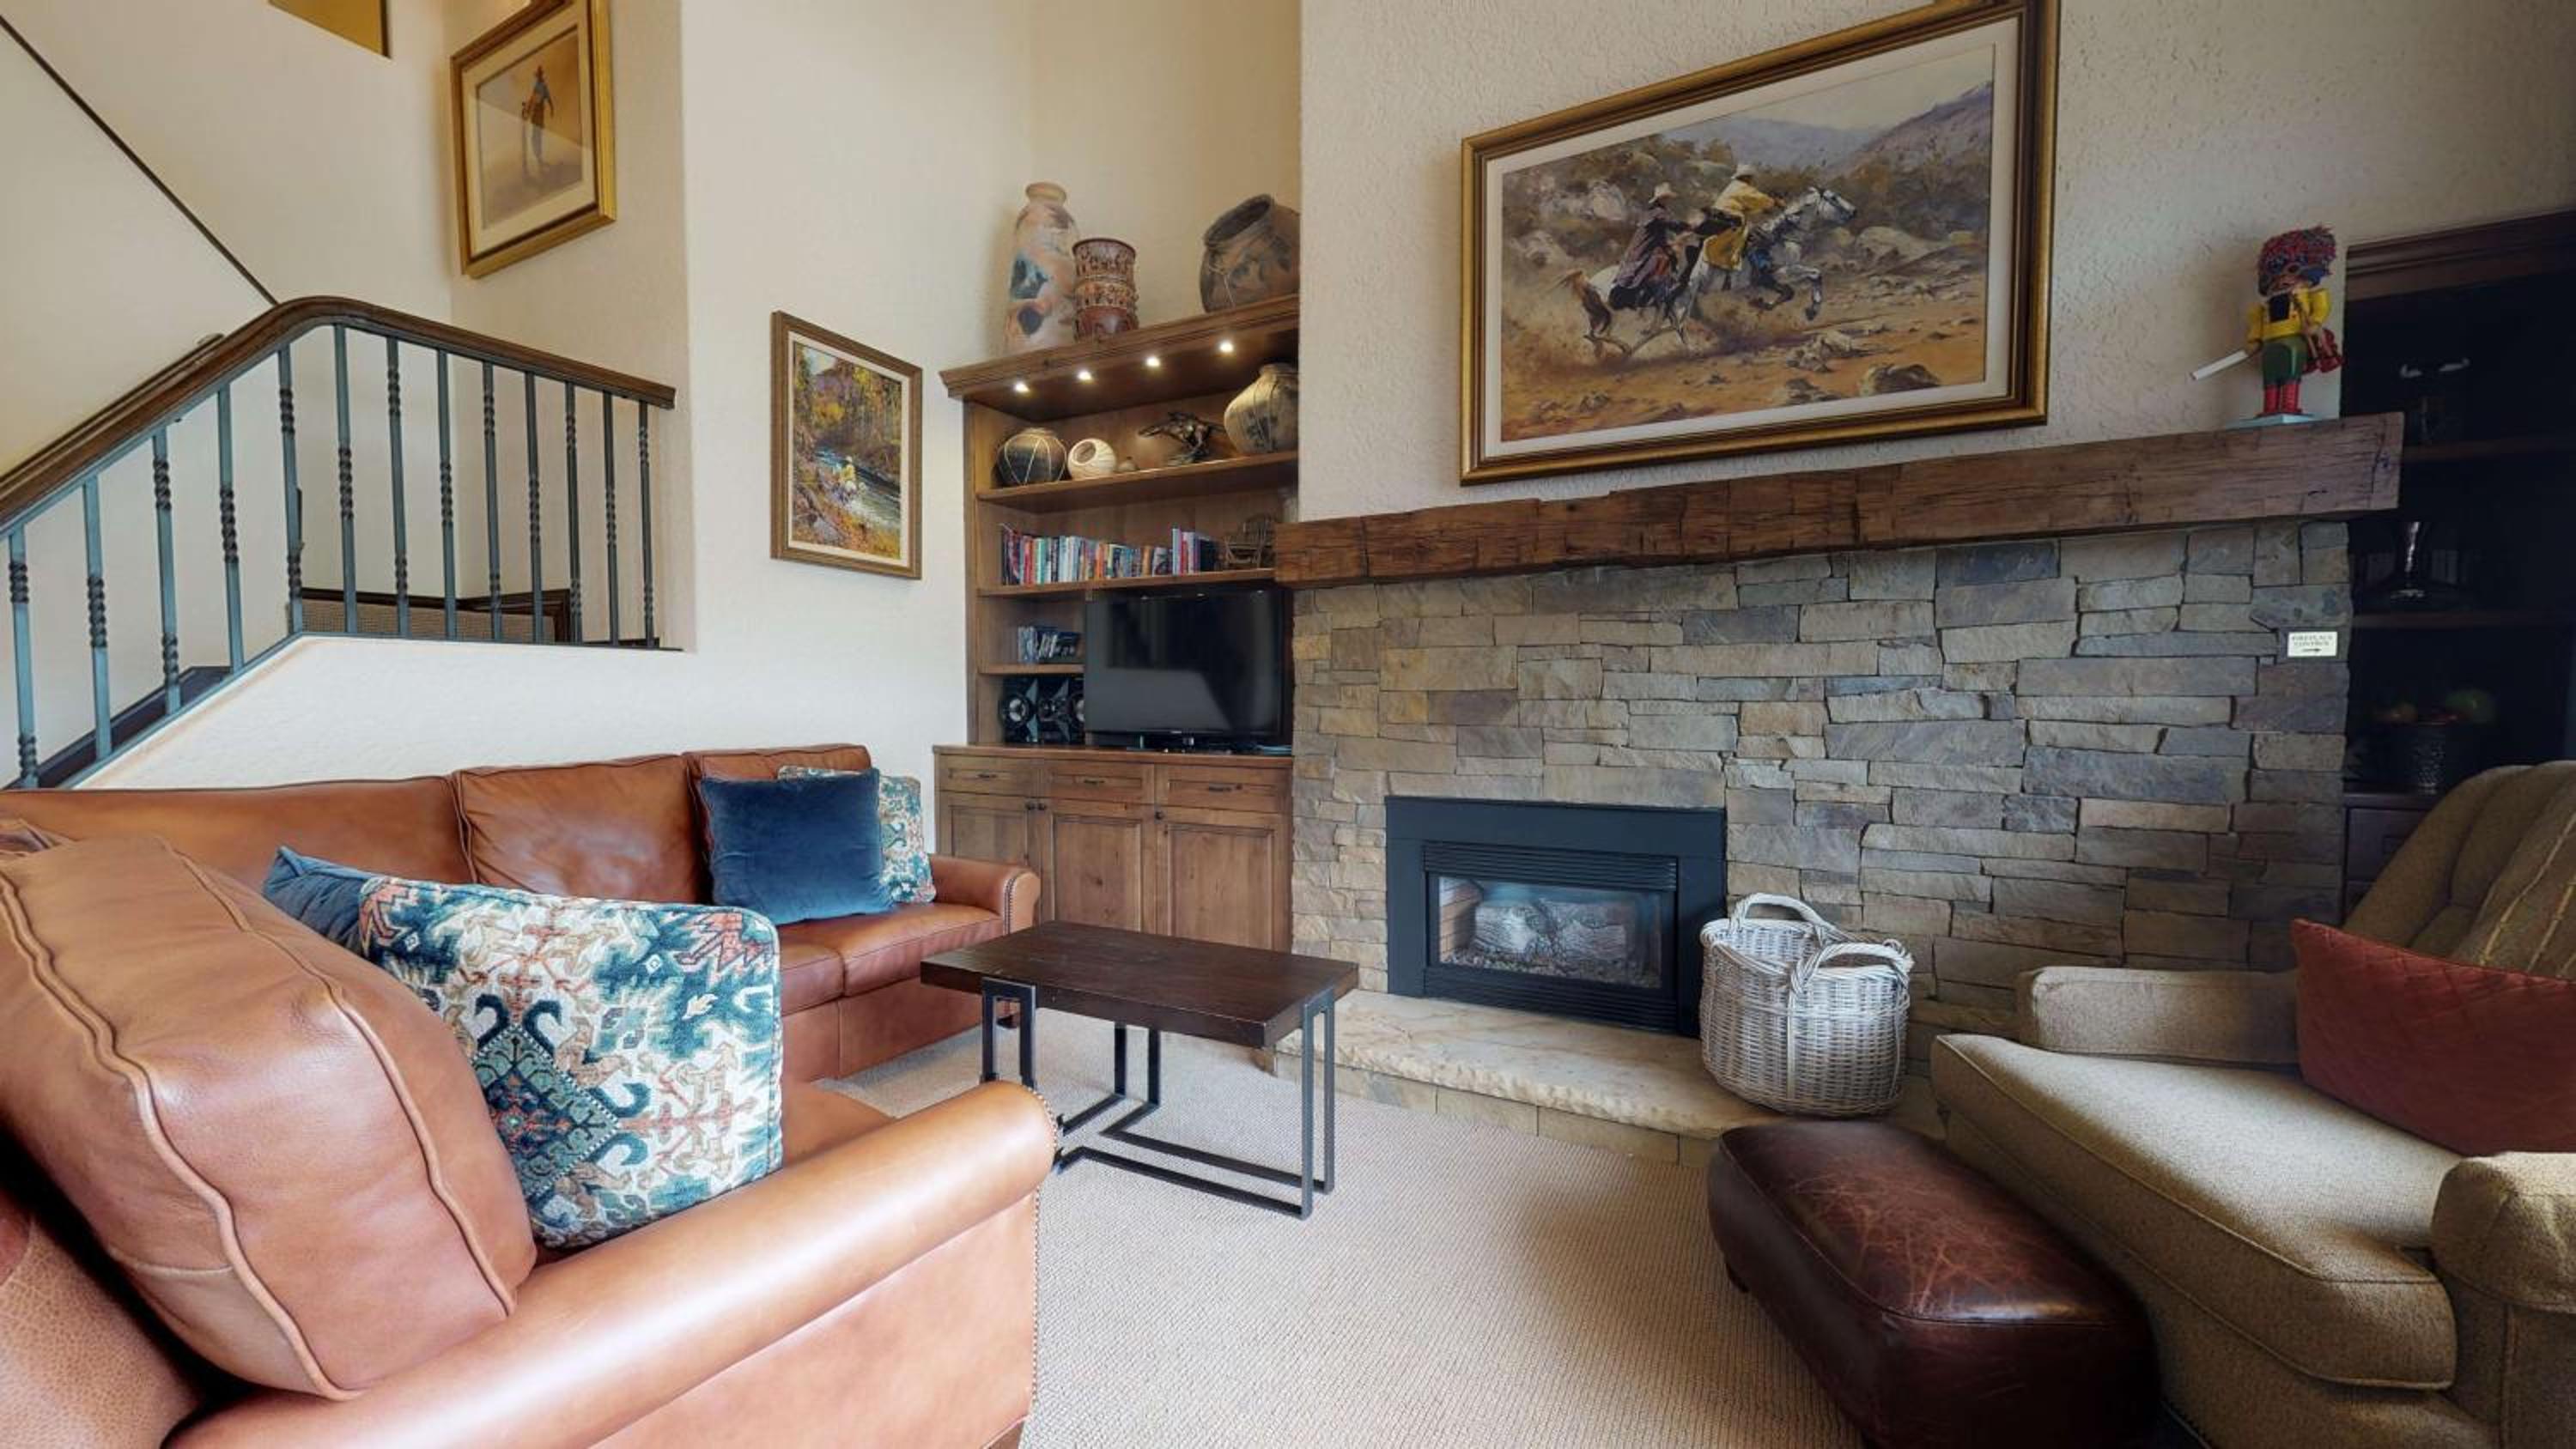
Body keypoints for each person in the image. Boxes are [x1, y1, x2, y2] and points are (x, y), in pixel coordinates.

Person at [2243, 227, 2340, 417]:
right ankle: (2270, 407)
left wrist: (2315, 324)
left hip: (2294, 339)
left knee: (2291, 371)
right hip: (2270, 341)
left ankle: (2289, 404)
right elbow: (2258, 323)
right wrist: (2254, 340)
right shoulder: (2265, 306)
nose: (2284, 280)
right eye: (2277, 275)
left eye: (2291, 271)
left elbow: (2320, 309)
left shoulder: (2308, 296)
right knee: (2270, 373)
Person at [1608, 183, 1692, 309]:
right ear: (1660, 199)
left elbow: (1661, 234)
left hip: (1644, 248)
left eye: (1668, 198)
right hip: (1644, 250)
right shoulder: (1658, 212)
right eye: (1666, 198)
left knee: (1665, 260)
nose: (1667, 200)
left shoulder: (1653, 212)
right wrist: (1689, 226)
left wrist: (1670, 243)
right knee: (1654, 267)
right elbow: (1673, 224)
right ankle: (1647, 297)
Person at [1705, 163, 1777, 281]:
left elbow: (1745, 207)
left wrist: (1761, 210)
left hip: (1723, 218)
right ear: (1746, 177)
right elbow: (1760, 199)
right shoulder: (1742, 187)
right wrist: (1774, 202)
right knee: (1760, 238)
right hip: (1731, 220)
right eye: (1750, 177)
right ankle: (1762, 267)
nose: (1751, 180)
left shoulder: (1734, 186)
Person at [520, 64, 556, 180]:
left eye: (539, 75)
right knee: (535, 137)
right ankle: (539, 161)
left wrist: (552, 109)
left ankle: (539, 162)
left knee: (536, 137)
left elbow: (544, 99)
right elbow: (533, 99)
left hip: (538, 115)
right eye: (538, 75)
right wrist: (527, 106)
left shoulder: (542, 87)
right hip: (536, 115)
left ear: (541, 76)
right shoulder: (537, 86)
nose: (538, 77)